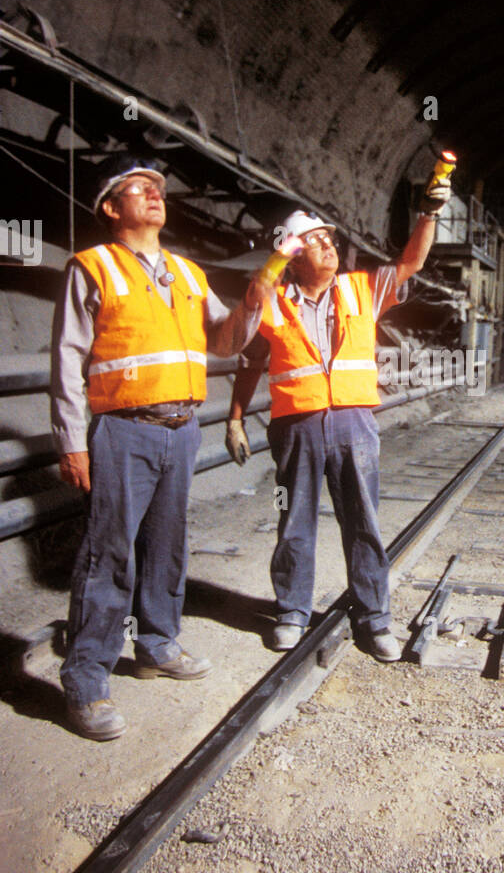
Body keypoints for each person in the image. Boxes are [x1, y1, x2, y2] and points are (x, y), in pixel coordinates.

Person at [52, 156, 267, 740]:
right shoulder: (92, 267)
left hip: (182, 426)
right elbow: (68, 361)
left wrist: (252, 302)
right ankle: (87, 679)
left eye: (158, 187)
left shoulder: (189, 273)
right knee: (109, 552)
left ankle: (156, 644)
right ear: (111, 207)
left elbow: (225, 339)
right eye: (138, 188)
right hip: (124, 428)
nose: (154, 194)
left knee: (168, 545)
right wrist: (72, 442)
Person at [225, 157, 454, 660]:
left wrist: (428, 212)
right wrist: (236, 418)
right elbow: (248, 361)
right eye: (315, 240)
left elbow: (410, 262)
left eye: (329, 239)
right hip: (297, 426)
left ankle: (374, 620)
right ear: (292, 254)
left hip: (354, 423)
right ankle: (290, 612)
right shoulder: (273, 301)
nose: (329, 245)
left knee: (364, 522)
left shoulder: (360, 289)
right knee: (294, 520)